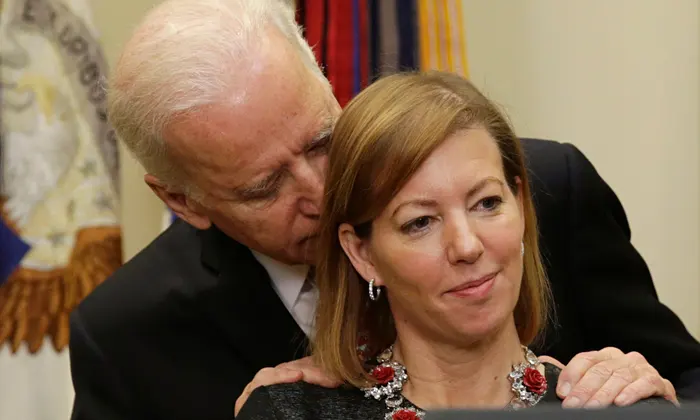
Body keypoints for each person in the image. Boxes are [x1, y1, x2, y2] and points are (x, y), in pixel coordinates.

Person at [67, 1, 700, 419]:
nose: (322, 190)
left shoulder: (548, 189)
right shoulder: (128, 334)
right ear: (182, 201)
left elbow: (688, 377)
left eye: (321, 140)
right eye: (265, 187)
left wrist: (647, 392)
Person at [235, 70, 673, 419]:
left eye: (487, 203)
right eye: (420, 222)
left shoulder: (615, 404)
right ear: (363, 254)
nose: (466, 246)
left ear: (521, 205)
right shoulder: (289, 413)